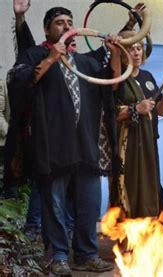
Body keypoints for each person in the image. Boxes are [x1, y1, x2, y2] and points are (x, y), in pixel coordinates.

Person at [7, 6, 120, 275]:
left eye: (70, 22)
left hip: (85, 147)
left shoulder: (87, 63)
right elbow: (20, 83)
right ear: (48, 29)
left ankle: (86, 253)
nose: (66, 26)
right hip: (52, 147)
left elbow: (112, 84)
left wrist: (115, 54)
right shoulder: (35, 54)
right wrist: (50, 59)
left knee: (89, 203)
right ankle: (57, 255)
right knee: (54, 204)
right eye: (59, 23)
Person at [114, 30, 163, 219]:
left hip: (149, 141)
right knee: (130, 187)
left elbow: (160, 111)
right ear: (121, 52)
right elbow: (111, 113)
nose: (136, 52)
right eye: (131, 48)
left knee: (152, 185)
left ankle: (152, 236)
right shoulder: (117, 78)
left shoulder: (148, 76)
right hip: (128, 144)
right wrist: (136, 109)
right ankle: (128, 235)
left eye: (139, 48)